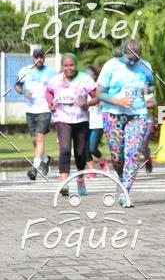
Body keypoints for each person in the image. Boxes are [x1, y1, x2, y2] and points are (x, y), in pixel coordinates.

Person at [96, 38, 154, 207]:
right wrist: (118, 101)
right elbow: (99, 93)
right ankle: (120, 177)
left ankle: (125, 192)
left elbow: (151, 85)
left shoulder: (145, 66)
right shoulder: (111, 66)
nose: (132, 62)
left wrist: (148, 89)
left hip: (137, 115)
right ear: (123, 53)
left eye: (136, 59)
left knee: (132, 154)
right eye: (130, 58)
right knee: (117, 156)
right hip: (113, 115)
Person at [45, 53, 96, 196]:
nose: (69, 68)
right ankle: (64, 183)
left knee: (80, 152)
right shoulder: (55, 80)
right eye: (66, 65)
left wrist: (87, 103)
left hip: (81, 120)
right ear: (62, 66)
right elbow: (48, 92)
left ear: (76, 65)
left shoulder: (85, 79)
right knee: (65, 149)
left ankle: (80, 178)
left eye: (71, 65)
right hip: (62, 118)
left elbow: (97, 96)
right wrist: (50, 102)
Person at [14, 48, 55, 181]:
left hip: (44, 109)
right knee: (34, 140)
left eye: (41, 57)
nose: (39, 59)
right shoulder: (24, 71)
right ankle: (46, 159)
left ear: (44, 58)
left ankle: (34, 168)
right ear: (32, 58)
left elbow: (56, 87)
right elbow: (17, 86)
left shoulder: (51, 72)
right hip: (30, 109)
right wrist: (23, 92)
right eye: (37, 57)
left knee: (39, 137)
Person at [85, 66, 109, 176]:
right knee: (84, 148)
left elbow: (104, 101)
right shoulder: (81, 87)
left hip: (97, 122)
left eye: (89, 75)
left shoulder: (98, 88)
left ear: (94, 76)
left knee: (92, 148)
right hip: (85, 121)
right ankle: (91, 170)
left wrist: (98, 102)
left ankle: (102, 162)